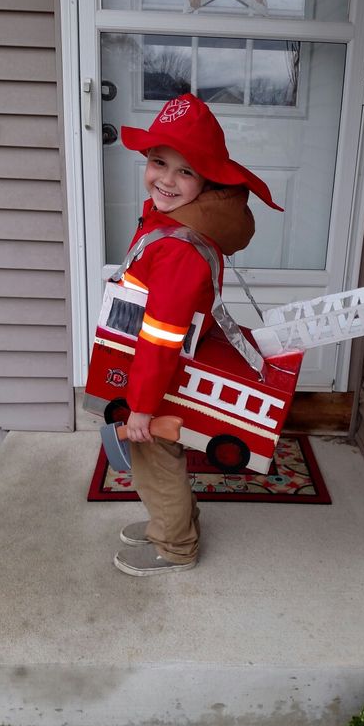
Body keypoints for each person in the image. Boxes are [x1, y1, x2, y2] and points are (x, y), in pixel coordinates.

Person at [112, 93, 282, 576]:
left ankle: (175, 546)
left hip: (160, 370)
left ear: (207, 179)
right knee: (158, 454)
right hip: (157, 359)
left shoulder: (181, 247)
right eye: (158, 162)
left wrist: (142, 403)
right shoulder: (173, 221)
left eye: (184, 171)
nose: (166, 179)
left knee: (153, 452)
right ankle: (176, 521)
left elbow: (163, 333)